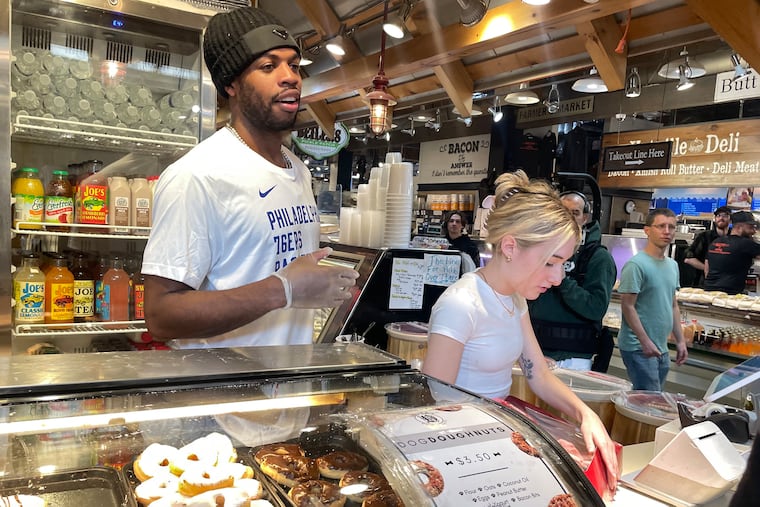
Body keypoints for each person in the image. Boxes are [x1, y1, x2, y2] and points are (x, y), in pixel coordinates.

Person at [142, 6, 358, 348]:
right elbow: (160, 315)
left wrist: (325, 290)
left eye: (294, 64)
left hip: (288, 391)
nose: (290, 76)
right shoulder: (197, 175)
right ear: (231, 84)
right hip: (224, 395)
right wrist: (283, 290)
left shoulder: (298, 170)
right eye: (268, 66)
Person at [422, 170, 618, 495]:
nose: (557, 279)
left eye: (563, 265)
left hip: (496, 440)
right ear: (510, 246)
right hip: (461, 456)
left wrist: (585, 415)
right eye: (551, 263)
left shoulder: (515, 299)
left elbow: (538, 373)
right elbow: (431, 405)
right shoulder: (461, 304)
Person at [529, 190, 617, 372]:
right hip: (534, 350)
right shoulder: (539, 251)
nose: (568, 218)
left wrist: (564, 282)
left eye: (574, 213)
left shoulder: (598, 258)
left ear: (584, 218)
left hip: (573, 360)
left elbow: (596, 308)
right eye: (562, 211)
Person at [617, 208, 688, 392]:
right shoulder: (636, 265)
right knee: (649, 400)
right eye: (661, 226)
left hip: (661, 346)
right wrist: (644, 341)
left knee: (653, 399)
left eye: (671, 227)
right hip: (638, 346)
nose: (667, 231)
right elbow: (627, 306)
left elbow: (672, 305)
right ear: (647, 230)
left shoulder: (672, 265)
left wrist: (680, 341)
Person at [704, 211, 760, 295]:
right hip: (730, 293)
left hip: (709, 290)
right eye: (750, 226)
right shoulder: (745, 244)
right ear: (740, 226)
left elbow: (707, 267)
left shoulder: (716, 242)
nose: (753, 229)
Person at [684, 206, 731, 287]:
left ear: (730, 220)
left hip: (729, 283)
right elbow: (688, 258)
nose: (721, 218)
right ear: (715, 219)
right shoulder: (704, 236)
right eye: (718, 216)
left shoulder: (734, 237)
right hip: (703, 283)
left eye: (725, 216)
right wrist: (707, 269)